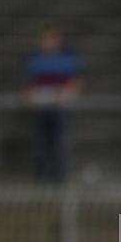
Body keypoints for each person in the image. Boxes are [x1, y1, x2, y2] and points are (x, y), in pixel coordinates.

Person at [23, 24, 82, 183]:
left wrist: (65, 94)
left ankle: (60, 180)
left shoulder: (67, 57)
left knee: (60, 144)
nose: (48, 42)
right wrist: (29, 96)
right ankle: (40, 181)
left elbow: (76, 81)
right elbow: (30, 84)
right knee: (40, 145)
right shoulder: (34, 58)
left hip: (60, 107)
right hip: (41, 108)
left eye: (52, 39)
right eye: (45, 39)